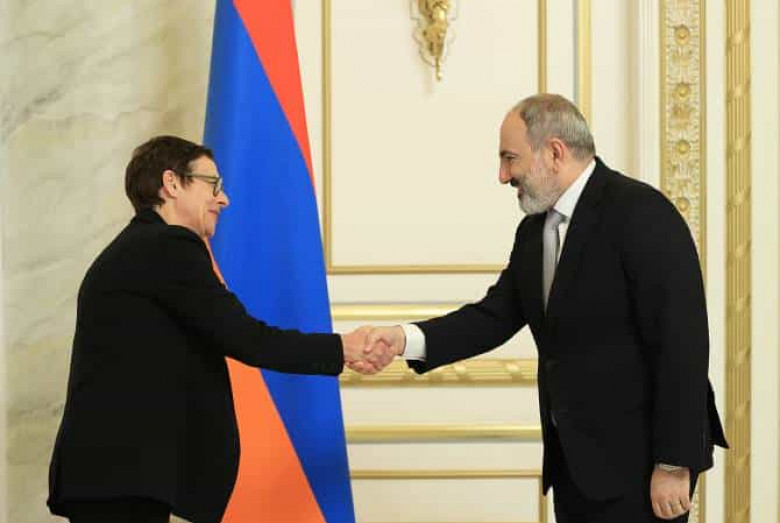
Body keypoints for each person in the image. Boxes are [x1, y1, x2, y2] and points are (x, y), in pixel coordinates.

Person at [356, 94, 728, 522]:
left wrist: (673, 463)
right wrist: (402, 339)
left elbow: (682, 344)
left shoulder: (641, 212)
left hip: (642, 469)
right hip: (574, 469)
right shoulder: (534, 232)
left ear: (554, 152)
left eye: (510, 158)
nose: (502, 175)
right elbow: (492, 317)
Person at [48, 136, 386, 523]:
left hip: (114, 474)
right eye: (213, 185)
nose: (223, 199)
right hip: (122, 476)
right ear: (172, 184)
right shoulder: (166, 246)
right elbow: (248, 338)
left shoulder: (140, 246)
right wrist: (344, 347)